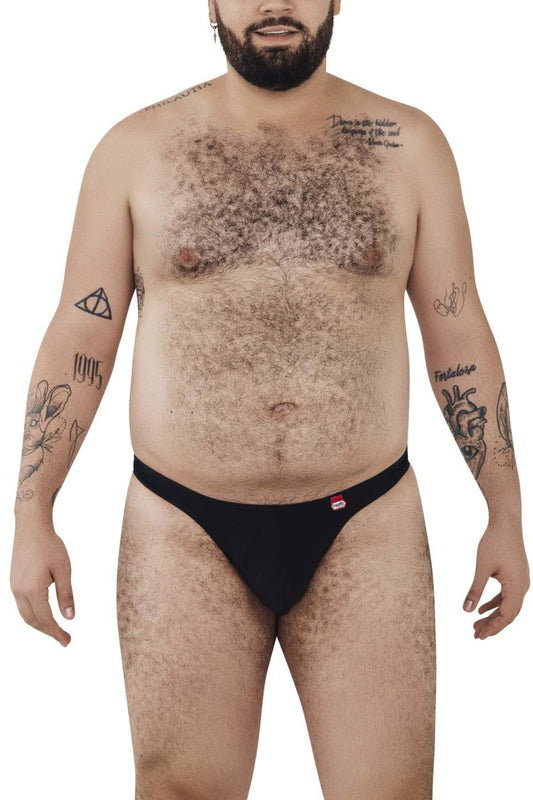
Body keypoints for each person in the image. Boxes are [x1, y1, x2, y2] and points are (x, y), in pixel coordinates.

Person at [10, 1, 530, 798]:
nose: (274, 4)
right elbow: (83, 335)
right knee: (182, 792)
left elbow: (456, 333)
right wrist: (32, 513)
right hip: (182, 528)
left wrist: (503, 511)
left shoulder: (409, 144)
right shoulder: (134, 150)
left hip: (366, 522)